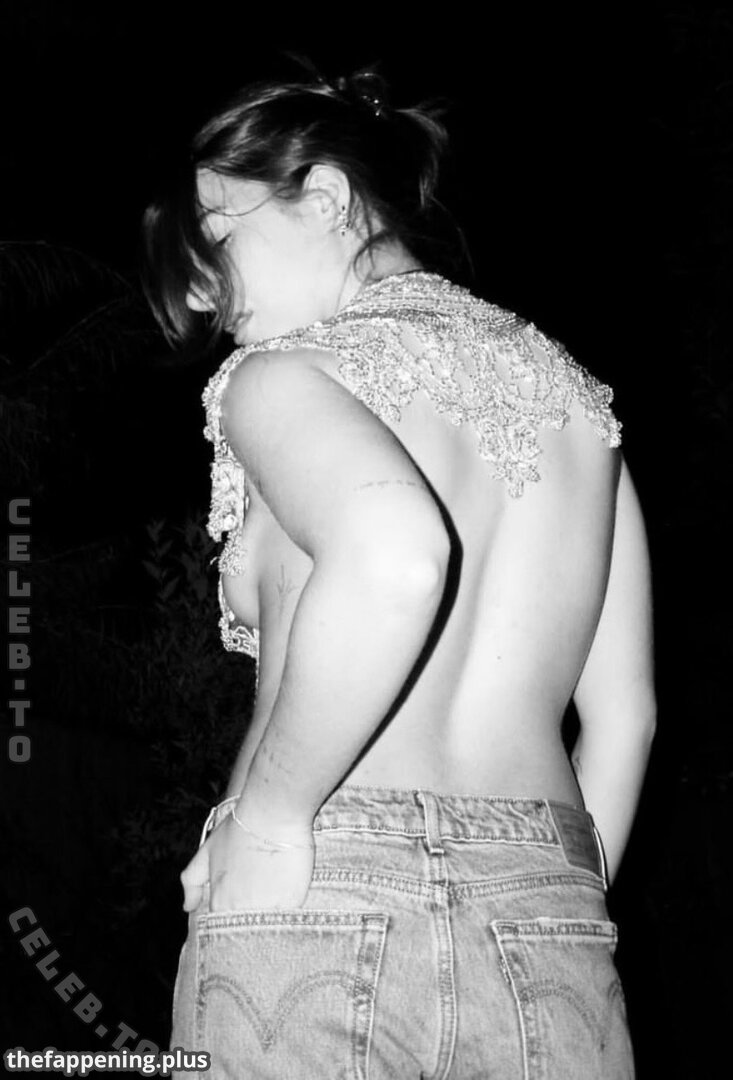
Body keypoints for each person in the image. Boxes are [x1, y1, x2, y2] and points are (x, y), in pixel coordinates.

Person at [142, 64, 654, 1080]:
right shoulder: (579, 406)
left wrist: (274, 821)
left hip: (315, 887)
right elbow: (625, 717)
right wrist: (556, 901)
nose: (202, 290)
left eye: (215, 236)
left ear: (326, 198)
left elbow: (396, 556)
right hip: (549, 907)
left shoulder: (281, 378)